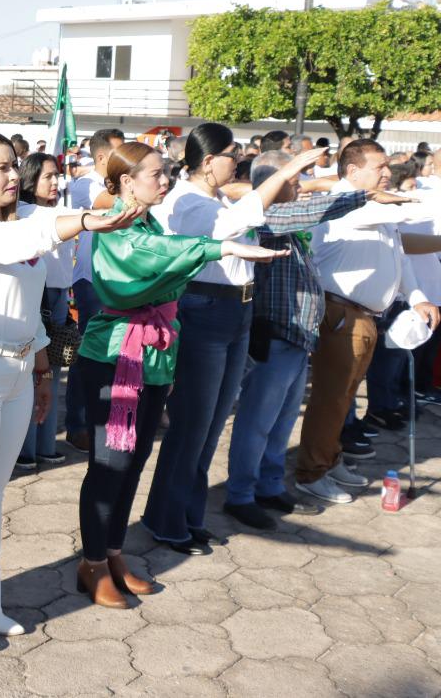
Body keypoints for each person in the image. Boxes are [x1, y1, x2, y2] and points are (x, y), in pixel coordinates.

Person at [0, 133, 137, 652]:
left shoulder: (24, 218)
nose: (13, 175)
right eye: (1, 167)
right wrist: (85, 221)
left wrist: (41, 370)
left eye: (15, 166)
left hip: (17, 368)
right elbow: (23, 244)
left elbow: (33, 296)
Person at [72, 142, 284, 607]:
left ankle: (112, 553)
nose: (164, 180)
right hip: (114, 356)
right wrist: (220, 246)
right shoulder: (115, 223)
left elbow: (162, 250)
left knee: (136, 458)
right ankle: (91, 564)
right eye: (154, 174)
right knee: (109, 465)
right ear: (126, 181)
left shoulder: (146, 218)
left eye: (166, 172)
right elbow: (150, 254)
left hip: (151, 353)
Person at [141, 124, 323, 554]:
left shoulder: (214, 195)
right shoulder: (187, 199)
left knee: (210, 426)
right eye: (232, 154)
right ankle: (167, 520)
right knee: (192, 424)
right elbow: (233, 224)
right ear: (208, 161)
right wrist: (289, 168)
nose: (237, 161)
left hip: (235, 310)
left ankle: (187, 513)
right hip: (205, 310)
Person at [224, 150, 404, 530]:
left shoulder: (286, 217)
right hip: (274, 336)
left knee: (282, 420)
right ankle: (241, 494)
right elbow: (313, 210)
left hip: (296, 338)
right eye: (291, 180)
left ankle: (270, 484)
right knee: (258, 420)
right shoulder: (268, 215)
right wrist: (362, 195)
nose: (298, 186)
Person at [297, 140, 441, 504]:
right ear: (352, 171)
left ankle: (330, 460)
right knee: (331, 400)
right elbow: (407, 216)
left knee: (344, 400)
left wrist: (418, 296)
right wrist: (409, 202)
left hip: (362, 316)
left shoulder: (373, 206)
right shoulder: (343, 204)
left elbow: (399, 251)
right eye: (380, 166)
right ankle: (312, 473)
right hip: (341, 314)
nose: (387, 173)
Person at [64, 128, 125, 452]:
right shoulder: (86, 183)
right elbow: (110, 201)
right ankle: (78, 422)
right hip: (93, 281)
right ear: (102, 156)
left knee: (115, 355)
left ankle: (105, 421)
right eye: (119, 151)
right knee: (89, 355)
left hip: (119, 280)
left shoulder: (122, 182)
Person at [16, 152, 75, 470]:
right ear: (30, 178)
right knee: (32, 372)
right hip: (33, 293)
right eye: (48, 176)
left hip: (59, 295)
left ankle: (45, 443)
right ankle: (24, 447)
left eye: (58, 176)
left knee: (53, 368)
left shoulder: (59, 211)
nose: (55, 182)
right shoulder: (23, 213)